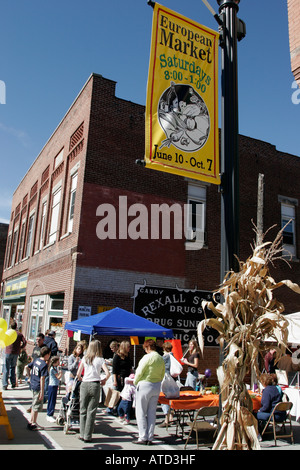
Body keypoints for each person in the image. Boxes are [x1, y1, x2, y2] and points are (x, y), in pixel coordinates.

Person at [76, 340, 110, 443]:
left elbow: (78, 374)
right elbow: (107, 373)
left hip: (85, 383)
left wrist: (82, 379)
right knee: (91, 411)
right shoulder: (100, 359)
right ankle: (88, 435)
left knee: (83, 410)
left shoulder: (85, 358)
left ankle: (82, 433)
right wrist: (104, 380)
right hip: (95, 384)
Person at [133, 339, 165, 445]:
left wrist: (135, 382)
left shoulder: (147, 357)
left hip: (145, 384)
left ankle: (143, 436)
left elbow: (139, 372)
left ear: (147, 347)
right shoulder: (160, 358)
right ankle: (150, 436)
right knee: (152, 413)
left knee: (141, 412)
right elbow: (162, 373)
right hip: (156, 385)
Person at [26, 346, 51, 430]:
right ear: (47, 355)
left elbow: (27, 367)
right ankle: (32, 423)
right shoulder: (44, 364)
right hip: (38, 386)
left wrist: (30, 377)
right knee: (36, 406)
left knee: (34, 403)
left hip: (33, 384)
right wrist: (42, 391)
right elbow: (42, 378)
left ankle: (33, 421)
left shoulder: (36, 360)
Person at [2, 321, 27, 390]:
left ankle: (5, 384)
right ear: (16, 327)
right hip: (15, 353)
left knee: (6, 368)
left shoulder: (8, 333)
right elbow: (24, 342)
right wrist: (21, 347)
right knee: (13, 368)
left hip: (8, 352)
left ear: (10, 326)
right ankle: (13, 383)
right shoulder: (19, 334)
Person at [159, 341, 175, 427]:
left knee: (164, 398)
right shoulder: (172, 356)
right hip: (172, 378)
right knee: (170, 396)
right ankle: (171, 416)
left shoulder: (164, 357)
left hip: (165, 378)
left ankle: (166, 418)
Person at [46, 356, 62, 422]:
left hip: (54, 385)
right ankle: (50, 414)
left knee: (52, 400)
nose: (59, 362)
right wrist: (61, 373)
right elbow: (58, 377)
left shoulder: (54, 368)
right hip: (53, 385)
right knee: (52, 400)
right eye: (58, 361)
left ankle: (50, 413)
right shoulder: (53, 369)